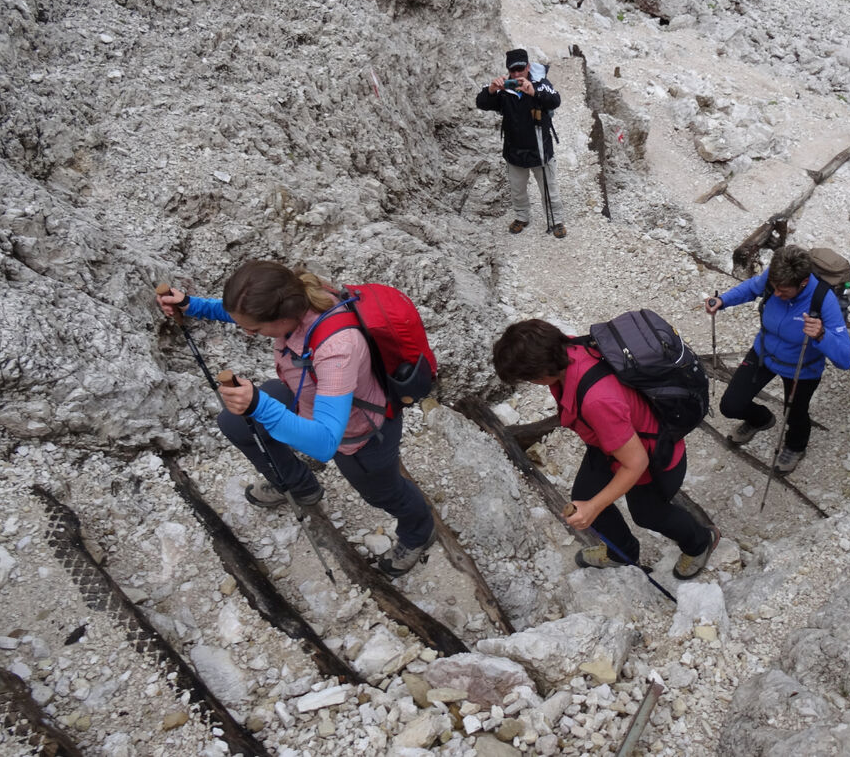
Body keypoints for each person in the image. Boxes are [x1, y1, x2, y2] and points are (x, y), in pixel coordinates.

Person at [156, 261, 436, 576]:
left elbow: (324, 443)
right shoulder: (297, 293)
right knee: (236, 424)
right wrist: (193, 306)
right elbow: (248, 315)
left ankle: (419, 530)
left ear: (283, 318)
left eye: (256, 330)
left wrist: (259, 404)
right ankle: (300, 487)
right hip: (308, 397)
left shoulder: (338, 350)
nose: (249, 333)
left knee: (383, 494)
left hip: (360, 433)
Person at [492, 319, 719, 579]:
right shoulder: (569, 349)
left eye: (527, 379)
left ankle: (701, 541)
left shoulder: (597, 401)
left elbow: (636, 463)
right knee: (584, 494)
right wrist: (593, 504)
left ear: (542, 373)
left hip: (655, 456)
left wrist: (593, 508)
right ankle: (622, 553)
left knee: (648, 514)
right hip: (609, 444)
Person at [704, 245, 850, 474]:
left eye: (783, 291)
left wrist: (822, 335)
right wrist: (723, 301)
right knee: (731, 405)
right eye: (774, 288)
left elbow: (846, 359)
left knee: (795, 413)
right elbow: (751, 288)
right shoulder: (774, 279)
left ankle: (796, 446)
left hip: (802, 368)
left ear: (802, 283)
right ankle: (761, 419)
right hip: (764, 353)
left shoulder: (824, 300)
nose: (776, 294)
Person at [475, 48, 567, 239]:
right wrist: (492, 89)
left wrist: (533, 92)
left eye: (520, 69)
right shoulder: (504, 89)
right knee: (517, 190)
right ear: (508, 69)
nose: (517, 74)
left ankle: (556, 220)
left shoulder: (540, 84)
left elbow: (555, 100)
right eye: (513, 70)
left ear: (528, 67)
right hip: (514, 151)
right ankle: (521, 217)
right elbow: (481, 102)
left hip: (540, 150)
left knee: (549, 188)